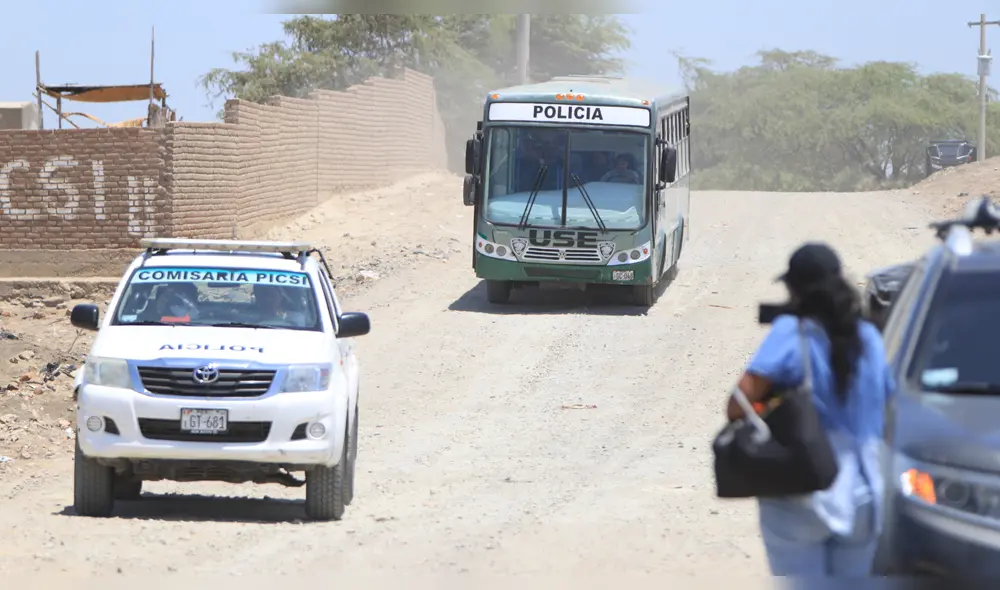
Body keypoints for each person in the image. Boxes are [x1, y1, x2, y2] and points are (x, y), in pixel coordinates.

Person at [724, 242, 896, 577]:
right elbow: (889, 407)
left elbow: (737, 404)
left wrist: (772, 404)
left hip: (803, 491)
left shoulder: (793, 331)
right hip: (863, 495)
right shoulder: (869, 338)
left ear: (794, 289)